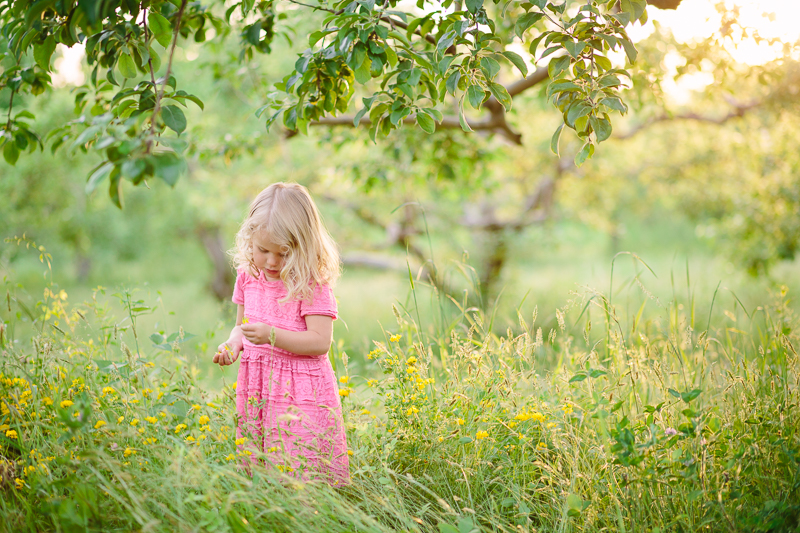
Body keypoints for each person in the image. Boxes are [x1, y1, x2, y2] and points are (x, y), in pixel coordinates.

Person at [213, 182, 348, 484]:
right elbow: (242, 325)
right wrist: (234, 343)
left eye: (284, 253)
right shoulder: (248, 276)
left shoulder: (310, 283)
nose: (272, 261)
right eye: (263, 250)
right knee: (262, 471)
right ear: (250, 239)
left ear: (304, 245)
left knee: (300, 468)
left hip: (298, 391)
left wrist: (272, 336)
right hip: (259, 386)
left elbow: (320, 341)